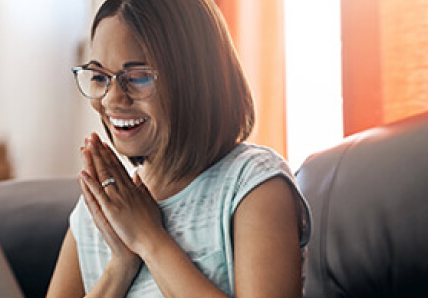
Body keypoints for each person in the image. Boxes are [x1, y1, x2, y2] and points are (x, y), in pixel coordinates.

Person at [47, 0, 311, 297]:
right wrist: (120, 266)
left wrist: (149, 239)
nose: (111, 99)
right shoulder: (99, 207)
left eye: (137, 77)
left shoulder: (253, 185)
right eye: (98, 77)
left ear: (194, 78)